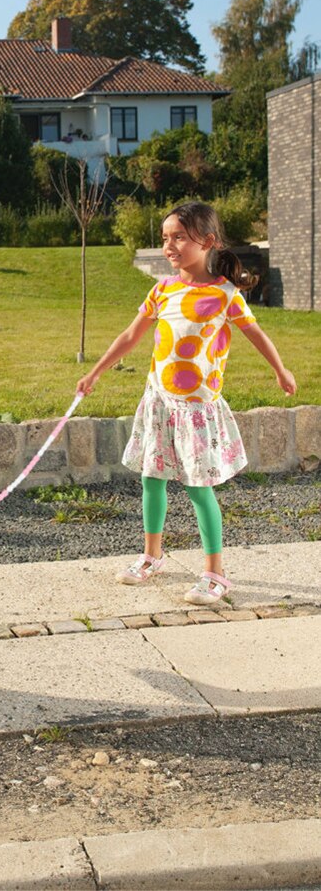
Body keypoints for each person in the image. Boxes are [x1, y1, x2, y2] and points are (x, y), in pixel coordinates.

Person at [76, 201, 297, 605]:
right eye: (165, 238)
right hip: (159, 401)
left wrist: (281, 371)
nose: (169, 245)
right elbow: (130, 337)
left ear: (207, 241)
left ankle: (216, 573)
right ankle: (152, 555)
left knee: (199, 489)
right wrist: (95, 373)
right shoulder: (163, 290)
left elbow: (257, 335)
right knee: (151, 478)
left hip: (196, 410)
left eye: (179, 236)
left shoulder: (225, 295)